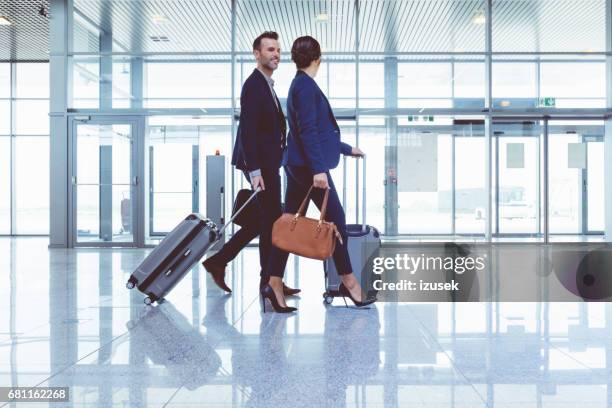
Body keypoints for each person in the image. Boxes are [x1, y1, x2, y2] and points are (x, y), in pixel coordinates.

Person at [261, 36, 376, 312]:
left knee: (288, 223)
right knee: (336, 223)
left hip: (299, 164)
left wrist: (347, 148)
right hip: (308, 168)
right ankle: (349, 282)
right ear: (318, 58)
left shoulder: (300, 85)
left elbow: (315, 133)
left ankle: (273, 282)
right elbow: (308, 131)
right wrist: (319, 170)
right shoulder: (304, 86)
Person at [202, 31, 299, 298]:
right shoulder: (254, 84)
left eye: (278, 50)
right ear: (257, 54)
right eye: (270, 50)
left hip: (268, 163)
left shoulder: (266, 84)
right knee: (272, 222)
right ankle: (268, 280)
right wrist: (255, 171)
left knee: (265, 221)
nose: (276, 54)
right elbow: (248, 130)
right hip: (261, 166)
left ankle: (234, 267)